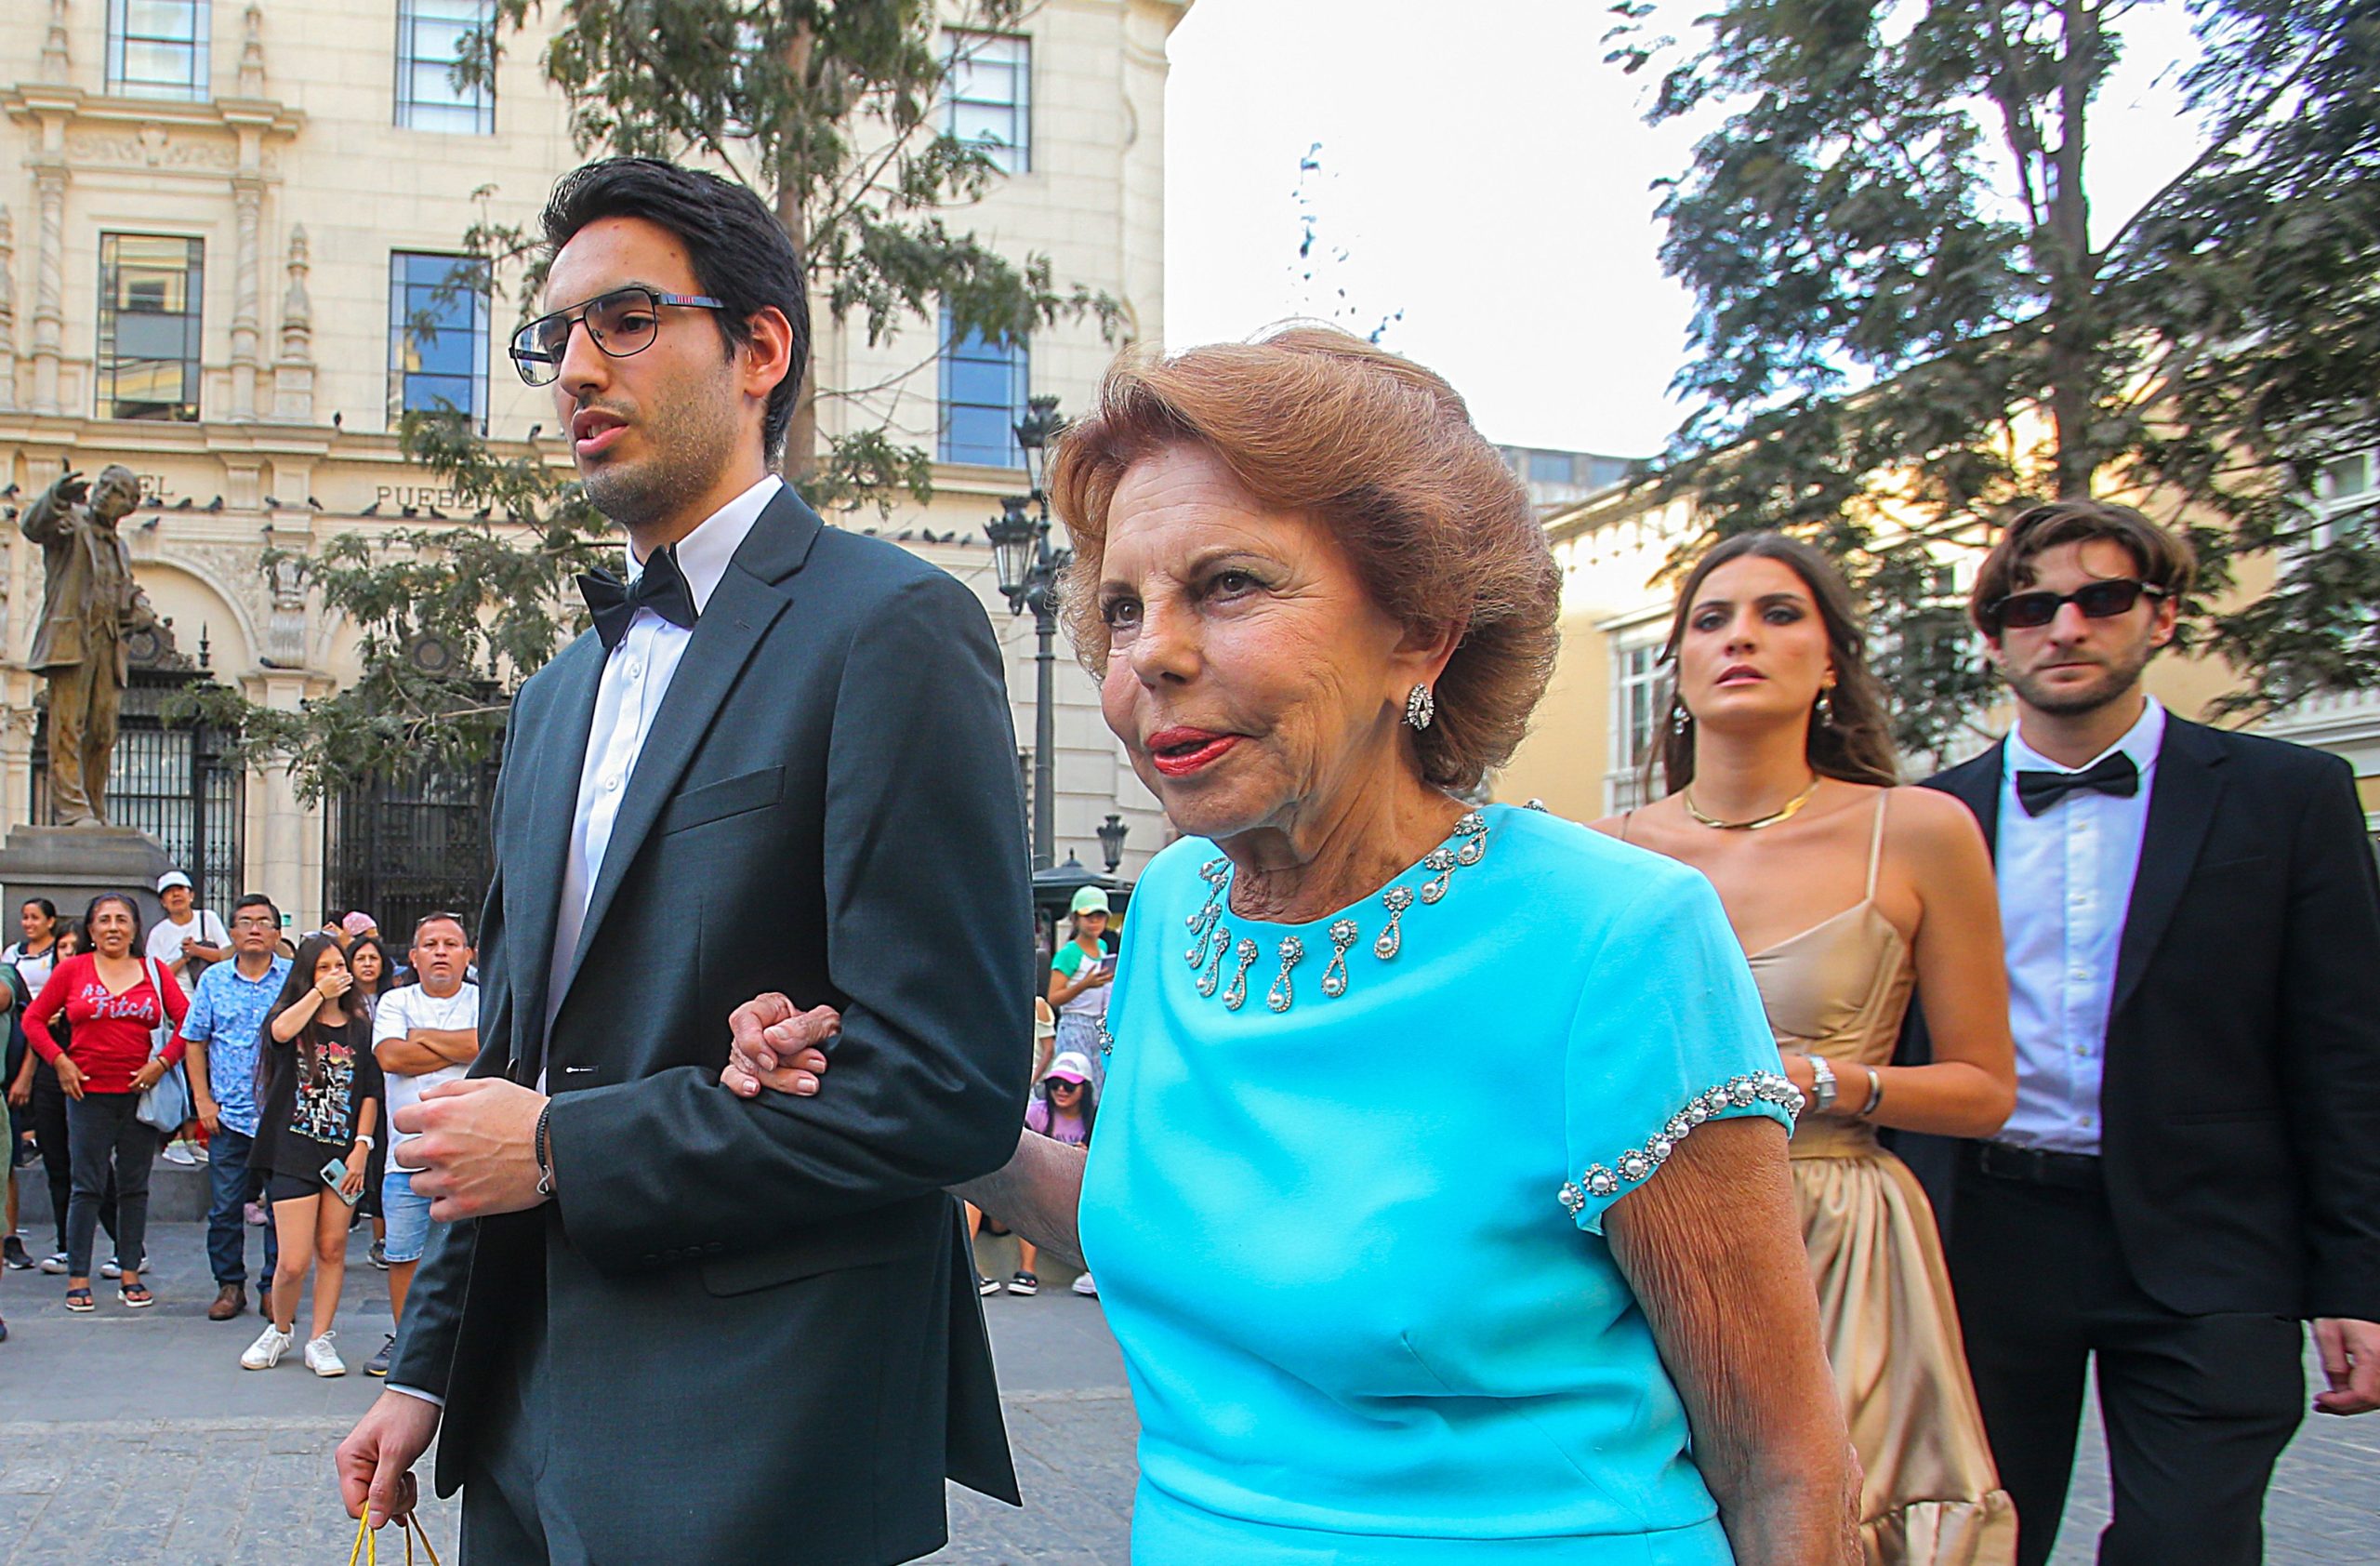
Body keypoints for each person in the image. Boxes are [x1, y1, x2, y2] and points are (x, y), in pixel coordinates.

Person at [731, 327, 1858, 1562]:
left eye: (1227, 585)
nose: (1146, 655)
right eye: (1122, 605)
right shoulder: (1169, 913)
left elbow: (1783, 1461)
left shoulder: (1618, 938)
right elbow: (1140, 1222)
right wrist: (875, 1085)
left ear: (1420, 631)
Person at [336, 155, 1034, 1563]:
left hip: (763, 1434)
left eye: (629, 320)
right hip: (523, 1436)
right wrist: (426, 1371)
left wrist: (564, 1151)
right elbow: (515, 1082)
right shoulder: (548, 702)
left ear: (761, 347)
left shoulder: (892, 628)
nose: (576, 369)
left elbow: (949, 1092)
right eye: (556, 339)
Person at [1894, 498, 2380, 1566]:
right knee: (1973, 1542)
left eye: (2099, 598)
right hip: (1983, 1237)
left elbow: (2347, 1055)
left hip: (2215, 1245)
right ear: (1992, 635)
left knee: (2189, 1543)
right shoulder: (1923, 819)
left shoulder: (2289, 798)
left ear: (2158, 618)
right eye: (2030, 606)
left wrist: (2357, 1281)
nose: (2063, 626)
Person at [1595, 532, 2019, 1564]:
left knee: (1838, 1520)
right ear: (1679, 668)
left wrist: (1828, 1080)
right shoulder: (1603, 851)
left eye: (1778, 614)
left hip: (1840, 1226)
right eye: (1710, 619)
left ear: (1830, 661)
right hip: (1658, 1229)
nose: (1741, 636)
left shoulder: (1918, 829)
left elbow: (1985, 1088)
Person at [21, 893, 188, 1312]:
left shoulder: (154, 971)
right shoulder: (73, 969)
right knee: (87, 1186)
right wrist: (60, 1062)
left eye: (122, 920)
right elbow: (33, 1020)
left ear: (135, 928)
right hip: (86, 1096)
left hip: (140, 1096)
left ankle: (130, 1272)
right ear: (90, 930)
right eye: (104, 920)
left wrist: (163, 1063)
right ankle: (78, 1276)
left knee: (134, 1187)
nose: (113, 927)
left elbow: (190, 1021)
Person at [242, 934, 383, 1377]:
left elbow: (369, 1093)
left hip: (342, 1154)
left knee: (333, 1247)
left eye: (337, 966)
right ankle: (279, 1327)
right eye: (322, 968)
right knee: (292, 1260)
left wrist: (362, 1147)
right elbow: (280, 1032)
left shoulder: (361, 1027)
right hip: (292, 1151)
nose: (333, 975)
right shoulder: (293, 1019)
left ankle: (320, 1338)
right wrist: (316, 996)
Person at [365, 915, 480, 1379]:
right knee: (404, 1256)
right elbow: (391, 1056)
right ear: (413, 957)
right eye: (429, 944)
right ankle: (407, 1342)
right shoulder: (395, 1000)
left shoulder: (486, 1000)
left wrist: (422, 1039)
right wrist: (459, 1049)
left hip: (471, 1154)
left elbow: (486, 1044)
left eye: (451, 943)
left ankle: (463, 1342)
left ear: (468, 955)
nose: (440, 951)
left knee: (469, 1255)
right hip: (405, 1157)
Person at [178, 893, 293, 1323]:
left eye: (264, 922)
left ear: (277, 933)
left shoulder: (292, 980)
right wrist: (203, 1100)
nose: (255, 930)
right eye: (246, 922)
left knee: (281, 1207)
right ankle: (229, 1285)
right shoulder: (214, 980)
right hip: (228, 1115)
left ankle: (272, 1288)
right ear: (232, 931)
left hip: (280, 1116)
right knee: (226, 1207)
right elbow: (195, 1040)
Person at [1006, 1052, 1097, 1297]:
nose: (1061, 1090)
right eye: (1054, 1084)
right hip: (1029, 1196)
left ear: (1085, 1089)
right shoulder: (1036, 1113)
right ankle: (1026, 1272)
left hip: (1076, 1198)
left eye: (1069, 1085)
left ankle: (1097, 1271)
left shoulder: (1096, 1119)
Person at [346, 933, 399, 1276]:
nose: (367, 964)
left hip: (388, 1089)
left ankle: (383, 1239)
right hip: (349, 1091)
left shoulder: (394, 1000)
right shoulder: (340, 1002)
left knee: (381, 1163)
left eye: (373, 959)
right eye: (360, 958)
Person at [1046, 887, 1114, 1089]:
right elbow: (1054, 997)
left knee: (1098, 1085)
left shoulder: (1102, 947)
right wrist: (1085, 984)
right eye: (1088, 916)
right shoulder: (1070, 953)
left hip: (1099, 1024)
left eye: (1099, 916)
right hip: (1075, 1024)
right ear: (1076, 919)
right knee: (1076, 1084)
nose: (1094, 922)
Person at [147, 870, 231, 987]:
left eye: (180, 889)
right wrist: (184, 958)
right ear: (163, 902)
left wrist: (197, 950)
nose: (176, 894)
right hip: (176, 999)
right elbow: (156, 978)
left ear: (191, 895)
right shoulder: (158, 933)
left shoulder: (208, 918)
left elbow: (228, 956)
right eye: (169, 892)